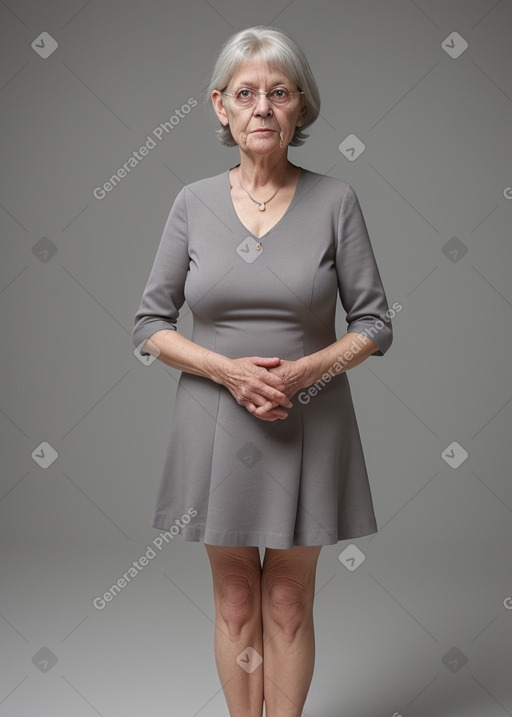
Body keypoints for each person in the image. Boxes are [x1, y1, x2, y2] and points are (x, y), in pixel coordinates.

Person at [132, 24, 393, 717]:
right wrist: (228, 372)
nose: (262, 108)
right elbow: (149, 326)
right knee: (237, 596)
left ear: (301, 106)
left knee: (285, 601)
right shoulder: (192, 203)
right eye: (246, 93)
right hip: (213, 420)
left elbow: (374, 323)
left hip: (309, 419)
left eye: (279, 93)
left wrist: (303, 370)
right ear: (220, 106)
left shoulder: (336, 201)